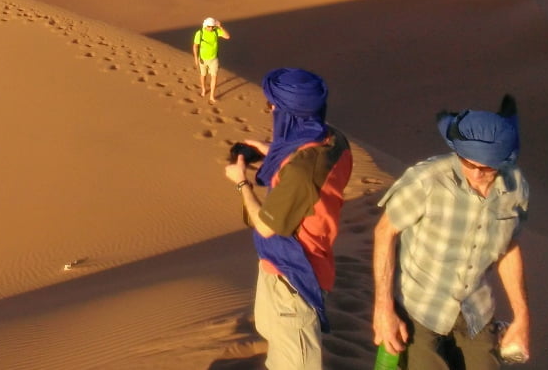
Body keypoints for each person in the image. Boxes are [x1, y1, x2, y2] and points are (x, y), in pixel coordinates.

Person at [372, 96, 531, 370]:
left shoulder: (515, 187)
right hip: (420, 308)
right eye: (469, 163)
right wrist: (383, 308)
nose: (478, 174)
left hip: (476, 312)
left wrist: (522, 316)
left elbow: (508, 248)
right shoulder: (427, 181)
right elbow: (385, 231)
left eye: (488, 167)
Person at [224, 68, 353, 370]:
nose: (270, 110)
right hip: (282, 267)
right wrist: (273, 153)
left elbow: (267, 225)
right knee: (281, 354)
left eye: (273, 105)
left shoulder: (300, 172)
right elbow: (308, 164)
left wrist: (242, 182)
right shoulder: (335, 141)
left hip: (292, 275)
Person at [192, 17, 230, 104]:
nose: (211, 28)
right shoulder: (200, 33)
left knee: (214, 76)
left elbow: (227, 36)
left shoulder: (216, 31)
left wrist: (220, 27)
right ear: (205, 26)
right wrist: (195, 58)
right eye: (209, 26)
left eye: (212, 26)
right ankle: (203, 89)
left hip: (213, 59)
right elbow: (195, 46)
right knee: (203, 75)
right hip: (203, 59)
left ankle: (212, 96)